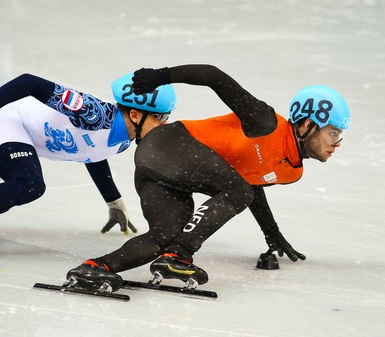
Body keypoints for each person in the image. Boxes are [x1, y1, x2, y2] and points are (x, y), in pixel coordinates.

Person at [62, 64, 351, 293]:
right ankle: (179, 256)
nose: (337, 143)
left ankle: (97, 267)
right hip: (169, 144)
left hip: (160, 169)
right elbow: (214, 76)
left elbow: (249, 184)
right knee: (235, 193)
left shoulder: (292, 171)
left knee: (164, 237)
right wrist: (161, 77)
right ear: (307, 124)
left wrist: (271, 232)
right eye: (333, 133)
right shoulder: (265, 122)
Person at [0, 72, 176, 258]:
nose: (164, 125)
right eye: (161, 117)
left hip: (6, 138)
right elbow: (31, 82)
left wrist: (113, 201)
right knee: (29, 184)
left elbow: (93, 154)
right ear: (135, 113)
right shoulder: (94, 113)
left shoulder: (123, 140)